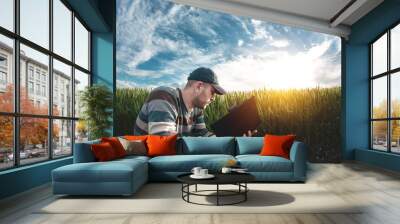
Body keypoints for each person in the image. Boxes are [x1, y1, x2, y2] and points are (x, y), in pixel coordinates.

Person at [133, 67, 257, 137]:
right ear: (199, 86)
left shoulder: (197, 109)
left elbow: (202, 134)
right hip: (150, 156)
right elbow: (163, 140)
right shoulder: (164, 96)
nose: (213, 98)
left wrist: (233, 140)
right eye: (212, 92)